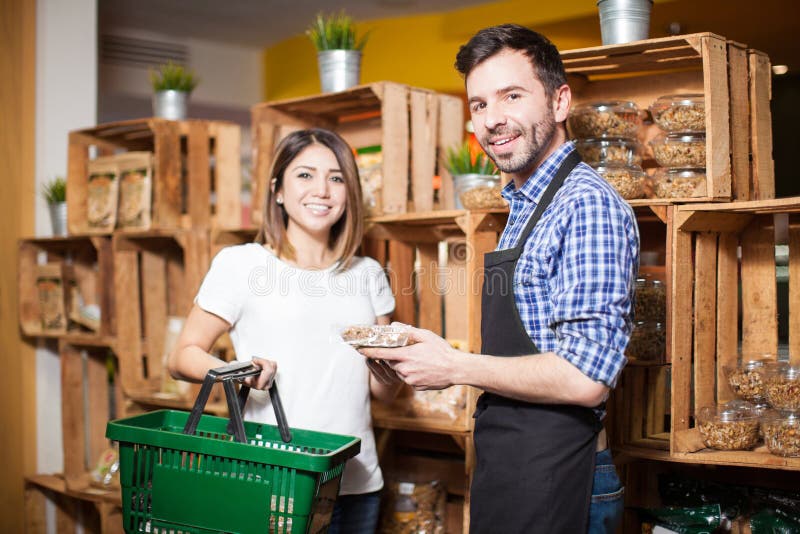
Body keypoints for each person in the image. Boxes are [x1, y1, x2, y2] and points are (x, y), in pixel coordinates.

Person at [359, 24, 639, 533]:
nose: (493, 120)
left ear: (559, 102)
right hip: (512, 470)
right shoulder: (524, 203)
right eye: (480, 104)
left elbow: (586, 379)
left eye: (512, 95)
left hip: (561, 480)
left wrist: (454, 365)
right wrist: (431, 353)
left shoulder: (586, 205)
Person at [168, 128, 402, 534]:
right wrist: (241, 370)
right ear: (277, 190)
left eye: (336, 178)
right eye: (305, 175)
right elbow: (181, 355)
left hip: (357, 483)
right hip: (271, 479)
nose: (323, 190)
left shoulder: (369, 275)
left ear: (349, 193)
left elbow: (384, 392)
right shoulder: (241, 265)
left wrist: (394, 365)